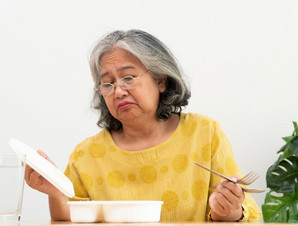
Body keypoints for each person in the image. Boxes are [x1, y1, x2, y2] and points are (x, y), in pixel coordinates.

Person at [25, 29, 262, 222]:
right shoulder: (85, 155)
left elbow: (246, 213)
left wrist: (227, 212)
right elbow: (69, 219)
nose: (118, 91)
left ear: (160, 80)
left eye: (128, 77)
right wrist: (55, 192)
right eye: (107, 83)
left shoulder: (204, 133)